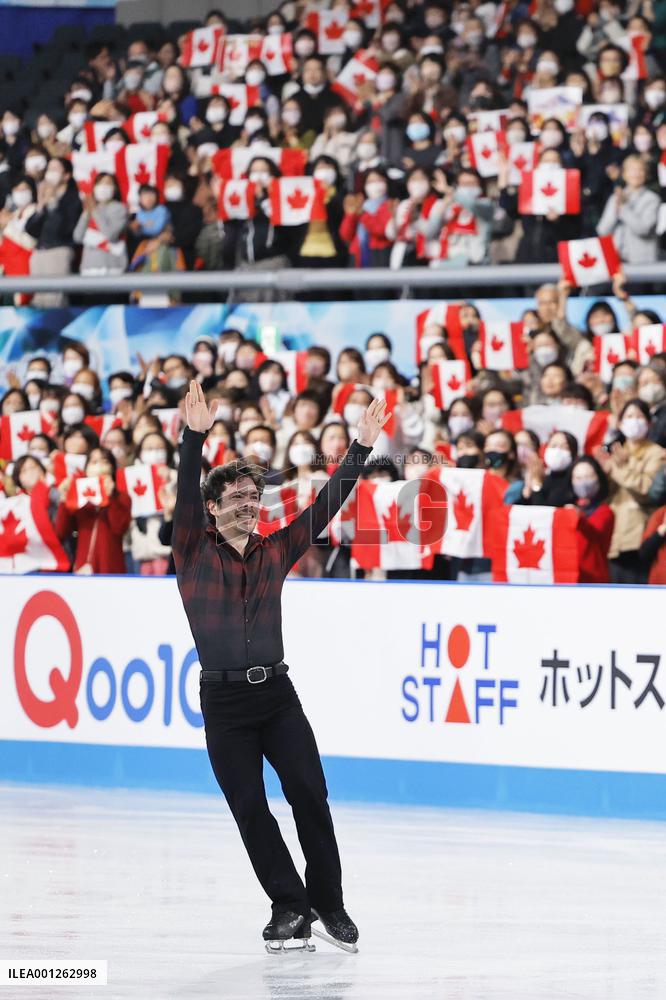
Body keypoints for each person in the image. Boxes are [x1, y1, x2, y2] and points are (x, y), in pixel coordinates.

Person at [172, 381, 389, 951]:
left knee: (310, 795)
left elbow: (325, 504)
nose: (247, 502)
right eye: (235, 497)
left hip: (277, 697)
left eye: (253, 495)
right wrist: (194, 438)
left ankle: (329, 903)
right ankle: (288, 906)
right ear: (213, 508)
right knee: (249, 807)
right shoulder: (191, 550)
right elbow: (183, 496)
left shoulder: (276, 549)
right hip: (224, 705)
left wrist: (360, 451)